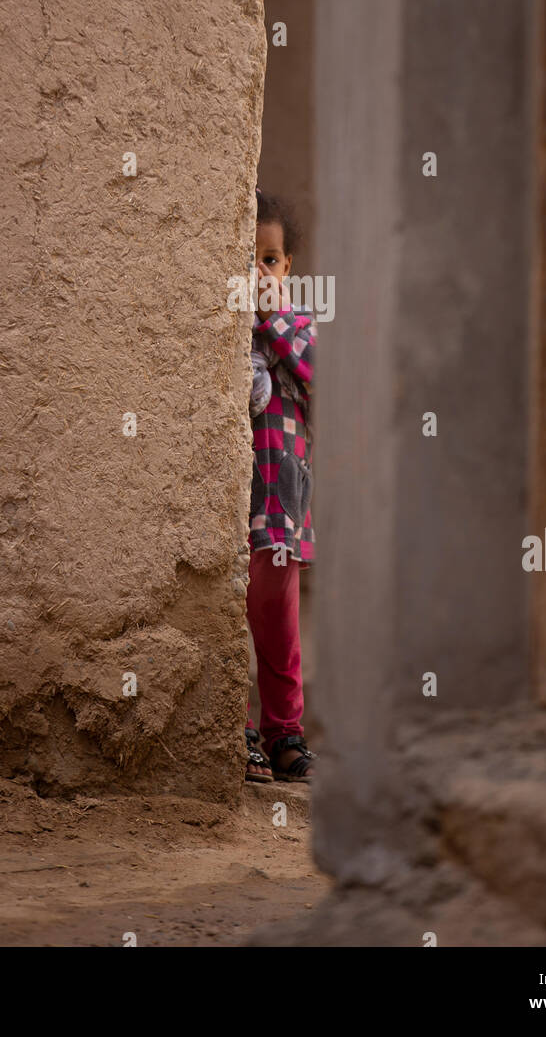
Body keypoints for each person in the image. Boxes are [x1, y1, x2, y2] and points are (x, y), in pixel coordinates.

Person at [244, 189, 316, 784]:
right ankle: (238, 733)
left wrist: (275, 317)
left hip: (280, 505)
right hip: (231, 503)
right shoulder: (232, 333)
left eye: (270, 259)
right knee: (231, 616)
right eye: (250, 260)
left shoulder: (298, 327)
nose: (260, 271)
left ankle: (285, 734)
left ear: (287, 267)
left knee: (279, 623)